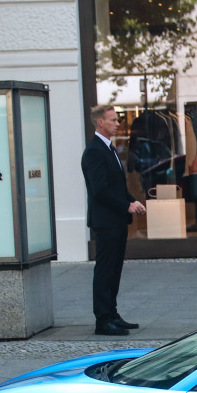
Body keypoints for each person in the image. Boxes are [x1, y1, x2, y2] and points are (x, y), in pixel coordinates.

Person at [82, 104, 146, 336]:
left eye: (117, 120)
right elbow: (100, 191)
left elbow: (116, 187)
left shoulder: (108, 148)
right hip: (105, 221)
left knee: (114, 270)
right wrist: (126, 205)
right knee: (105, 270)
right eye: (113, 120)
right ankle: (103, 319)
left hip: (116, 220)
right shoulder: (94, 151)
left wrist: (131, 201)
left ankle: (112, 314)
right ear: (100, 122)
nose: (118, 123)